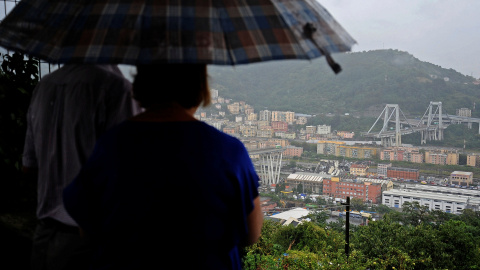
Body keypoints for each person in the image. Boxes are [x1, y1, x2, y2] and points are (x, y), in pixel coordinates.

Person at [63, 64, 263, 269]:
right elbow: (251, 233)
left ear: (142, 83)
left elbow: (86, 230)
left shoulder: (110, 146)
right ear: (199, 86)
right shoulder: (228, 152)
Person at [22, 64, 137, 270]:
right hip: (89, 241)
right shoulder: (117, 89)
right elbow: (128, 173)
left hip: (44, 234)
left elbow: (29, 166)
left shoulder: (44, 85)